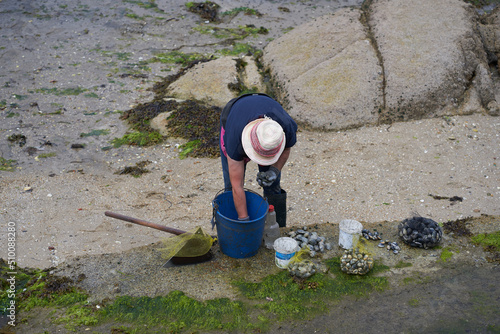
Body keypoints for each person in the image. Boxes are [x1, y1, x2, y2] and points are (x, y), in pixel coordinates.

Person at [220, 93, 297, 227]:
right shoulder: (233, 140)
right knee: (230, 186)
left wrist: (274, 170)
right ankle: (232, 225)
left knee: (271, 182)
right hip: (234, 116)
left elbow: (286, 149)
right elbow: (237, 186)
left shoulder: (284, 127)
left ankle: (276, 225)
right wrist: (245, 222)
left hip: (266, 107)